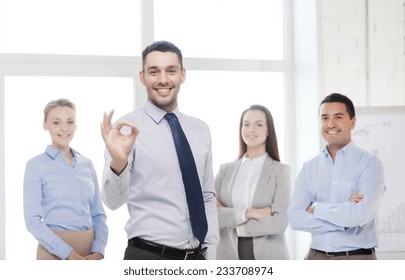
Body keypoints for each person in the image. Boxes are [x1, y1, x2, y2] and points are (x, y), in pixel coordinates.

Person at [100, 40, 219, 260]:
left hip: (198, 257)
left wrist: (210, 253)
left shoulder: (200, 129)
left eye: (171, 71)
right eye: (154, 72)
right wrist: (118, 163)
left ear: (182, 74)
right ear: (143, 77)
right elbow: (112, 202)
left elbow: (207, 197)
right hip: (148, 257)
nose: (163, 79)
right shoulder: (126, 129)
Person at [287, 93, 385, 260]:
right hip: (315, 258)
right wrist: (344, 222)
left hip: (356, 259)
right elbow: (295, 218)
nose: (330, 124)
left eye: (338, 117)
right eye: (324, 118)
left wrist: (316, 208)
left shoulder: (370, 164)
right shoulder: (309, 167)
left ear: (352, 122)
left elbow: (359, 215)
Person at [23, 98, 108, 260]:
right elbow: (32, 221)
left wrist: (98, 251)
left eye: (70, 122)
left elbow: (99, 216)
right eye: (56, 122)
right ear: (45, 125)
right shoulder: (35, 166)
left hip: (90, 252)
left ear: (76, 125)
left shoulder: (87, 164)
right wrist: (68, 254)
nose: (64, 128)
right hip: (52, 251)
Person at [215, 104, 291, 260]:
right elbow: (210, 213)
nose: (251, 129)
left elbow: (280, 222)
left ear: (268, 130)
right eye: (246, 124)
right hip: (228, 255)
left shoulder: (281, 171)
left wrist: (234, 221)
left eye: (259, 124)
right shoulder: (225, 170)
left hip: (269, 256)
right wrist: (250, 213)